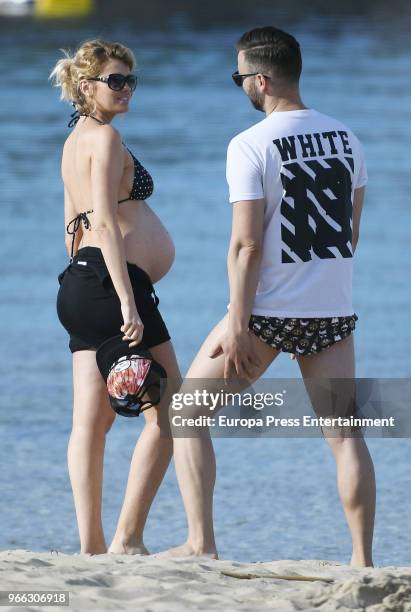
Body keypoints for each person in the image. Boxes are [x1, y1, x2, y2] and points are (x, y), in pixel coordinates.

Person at [159, 26, 376, 567]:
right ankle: (363, 561)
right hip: (331, 311)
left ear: (260, 79)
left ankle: (201, 544)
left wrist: (237, 321)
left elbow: (247, 243)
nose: (240, 87)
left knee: (187, 410)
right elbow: (350, 231)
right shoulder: (347, 137)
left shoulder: (250, 144)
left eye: (239, 78)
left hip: (267, 313)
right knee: (345, 435)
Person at [50, 39, 182, 555]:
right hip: (112, 285)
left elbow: (72, 226)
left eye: (131, 80)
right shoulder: (105, 138)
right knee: (172, 410)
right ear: (87, 87)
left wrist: (86, 284)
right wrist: (127, 300)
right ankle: (128, 539)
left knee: (91, 421)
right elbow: (103, 220)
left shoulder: (71, 142)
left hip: (81, 283)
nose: (126, 89)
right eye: (116, 81)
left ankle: (91, 546)